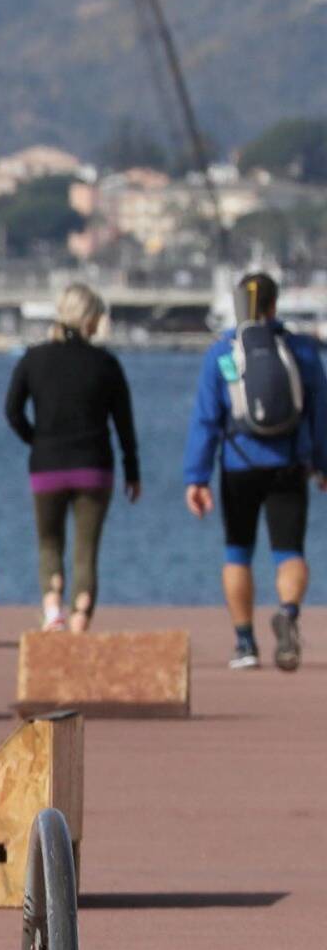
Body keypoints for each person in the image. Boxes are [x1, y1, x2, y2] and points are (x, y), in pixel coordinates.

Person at [183, 270, 327, 671]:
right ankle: (288, 612)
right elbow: (320, 414)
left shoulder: (222, 353)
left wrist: (196, 477)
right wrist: (322, 464)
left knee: (237, 554)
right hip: (288, 466)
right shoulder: (301, 350)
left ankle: (245, 643)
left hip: (238, 467)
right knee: (290, 553)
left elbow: (206, 420)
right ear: (274, 305)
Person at [4, 281, 141, 633]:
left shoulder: (33, 359)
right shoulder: (106, 364)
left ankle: (53, 609)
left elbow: (12, 411)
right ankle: (80, 618)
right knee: (86, 549)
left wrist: (36, 441)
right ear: (89, 319)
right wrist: (132, 471)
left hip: (47, 466)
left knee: (49, 542)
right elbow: (124, 424)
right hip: (95, 468)